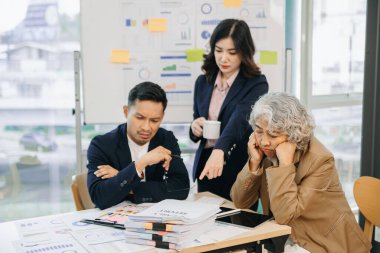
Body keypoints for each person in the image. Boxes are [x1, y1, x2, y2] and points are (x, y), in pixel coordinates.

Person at [231, 92, 371, 252]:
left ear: (292, 134)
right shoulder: (265, 150)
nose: (264, 141)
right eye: (259, 131)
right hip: (287, 238)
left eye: (274, 134)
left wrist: (285, 165)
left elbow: (285, 215)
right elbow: (239, 201)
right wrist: (254, 163)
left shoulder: (321, 161)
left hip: (322, 243)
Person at [190, 19, 268, 200]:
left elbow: (241, 118)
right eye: (218, 50)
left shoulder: (256, 83)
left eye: (232, 52)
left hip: (237, 166)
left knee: (238, 223)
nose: (223, 58)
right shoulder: (203, 82)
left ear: (244, 53)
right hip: (207, 165)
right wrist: (195, 127)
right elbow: (197, 118)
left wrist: (220, 149)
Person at [87, 82, 190, 210]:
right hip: (113, 220)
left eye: (155, 120)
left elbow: (181, 188)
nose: (147, 127)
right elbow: (100, 196)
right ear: (126, 112)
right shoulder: (101, 145)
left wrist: (123, 179)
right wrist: (141, 163)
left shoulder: (166, 139)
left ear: (162, 117)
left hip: (154, 217)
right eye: (140, 118)